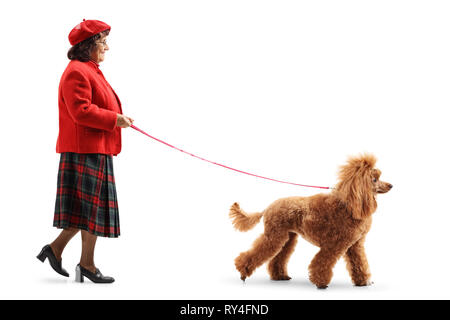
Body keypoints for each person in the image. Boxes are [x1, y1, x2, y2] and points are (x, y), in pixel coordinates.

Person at [37, 19, 133, 283]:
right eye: (102, 42)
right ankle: (86, 265)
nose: (107, 48)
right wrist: (115, 119)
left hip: (94, 148)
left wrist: (116, 118)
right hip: (84, 150)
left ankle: (57, 251)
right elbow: (81, 111)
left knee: (86, 210)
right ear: (88, 45)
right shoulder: (77, 71)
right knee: (90, 211)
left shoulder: (89, 69)